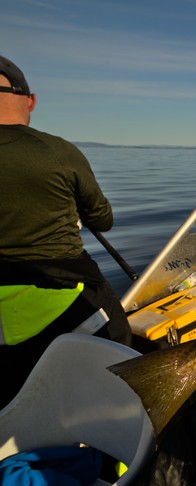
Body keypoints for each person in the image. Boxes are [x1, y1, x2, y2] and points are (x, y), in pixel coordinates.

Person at [0, 55, 132, 408]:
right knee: (119, 345)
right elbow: (102, 220)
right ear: (30, 100)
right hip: (61, 291)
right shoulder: (58, 152)